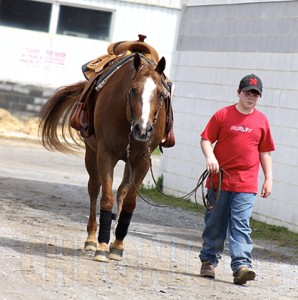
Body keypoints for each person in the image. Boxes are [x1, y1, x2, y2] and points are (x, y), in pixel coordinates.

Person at [199, 74, 275, 285]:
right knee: (215, 223)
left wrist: (268, 178)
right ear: (238, 92)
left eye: (255, 94)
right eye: (247, 93)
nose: (251, 97)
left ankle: (241, 266)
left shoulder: (262, 121)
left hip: (246, 183)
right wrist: (210, 156)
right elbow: (206, 139)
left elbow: (265, 152)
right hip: (220, 181)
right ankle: (208, 261)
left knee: (241, 224)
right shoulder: (222, 115)